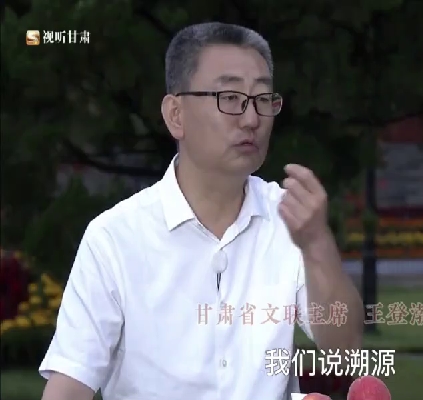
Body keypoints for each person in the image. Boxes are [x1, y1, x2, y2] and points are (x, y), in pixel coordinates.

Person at [39, 22, 363, 400]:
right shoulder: (114, 238)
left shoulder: (289, 218)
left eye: (262, 98)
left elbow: (346, 352)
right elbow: (69, 383)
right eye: (230, 97)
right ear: (176, 114)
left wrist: (318, 245)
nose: (251, 119)